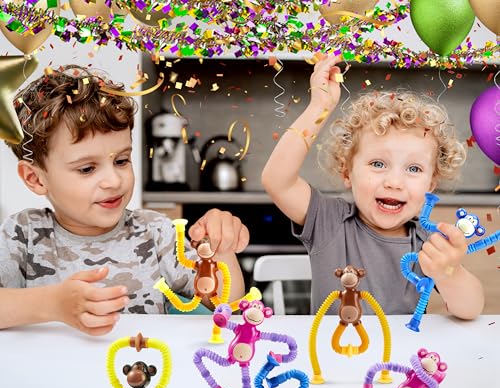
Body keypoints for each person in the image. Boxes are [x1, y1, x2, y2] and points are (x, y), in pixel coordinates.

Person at [0, 65, 249, 336]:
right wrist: (53, 304)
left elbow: (225, 303)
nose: (113, 181)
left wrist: (220, 247)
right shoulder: (22, 235)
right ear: (35, 179)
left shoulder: (155, 232)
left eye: (121, 161)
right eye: (87, 169)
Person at [261, 55, 484, 319]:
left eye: (414, 169)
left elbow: (471, 309)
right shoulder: (328, 221)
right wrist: (319, 106)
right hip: (332, 346)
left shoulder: (427, 241)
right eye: (378, 164)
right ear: (347, 172)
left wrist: (450, 272)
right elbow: (277, 180)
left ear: (430, 185)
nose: (394, 182)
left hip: (398, 348)